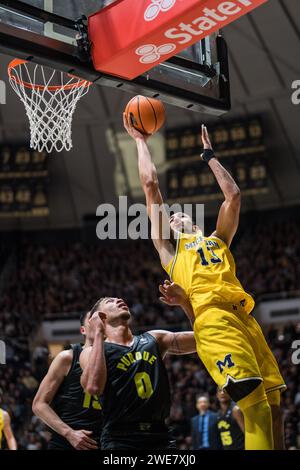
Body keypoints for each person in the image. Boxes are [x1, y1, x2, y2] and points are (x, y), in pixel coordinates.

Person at [123, 114, 286, 450]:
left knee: (274, 409)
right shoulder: (171, 250)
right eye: (171, 216)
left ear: (194, 221)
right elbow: (151, 188)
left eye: (180, 214)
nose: (175, 216)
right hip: (214, 319)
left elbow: (233, 197)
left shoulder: (219, 240)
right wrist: (140, 141)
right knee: (253, 407)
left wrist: (209, 157)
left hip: (246, 320)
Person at [80, 296, 196, 450]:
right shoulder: (92, 352)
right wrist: (99, 334)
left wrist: (184, 303)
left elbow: (203, 339)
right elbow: (93, 387)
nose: (119, 300)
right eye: (110, 301)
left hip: (160, 435)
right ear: (100, 316)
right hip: (120, 438)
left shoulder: (154, 339)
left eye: (119, 299)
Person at [32, 311, 102, 450]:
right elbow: (39, 404)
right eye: (92, 319)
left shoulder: (116, 359)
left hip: (106, 441)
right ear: (83, 330)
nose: (97, 321)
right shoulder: (67, 358)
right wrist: (69, 433)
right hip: (67, 442)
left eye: (101, 318)